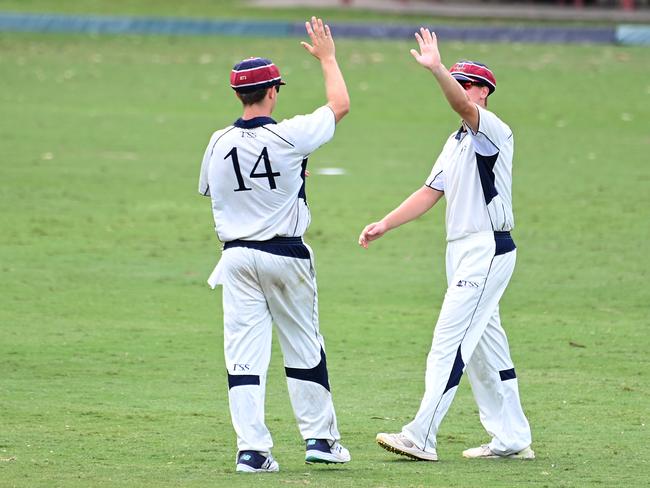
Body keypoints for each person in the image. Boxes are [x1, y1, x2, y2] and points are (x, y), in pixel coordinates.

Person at [359, 28, 534, 462]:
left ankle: (422, 435)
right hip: (461, 252)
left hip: (487, 248)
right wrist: (386, 223)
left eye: (465, 83)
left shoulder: (491, 129)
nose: (459, 89)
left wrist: (437, 67)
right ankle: (511, 438)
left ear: (483, 91)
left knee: (449, 341)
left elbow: (458, 102)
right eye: (455, 80)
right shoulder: (455, 140)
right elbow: (429, 192)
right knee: (484, 351)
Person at [198, 17, 351, 473]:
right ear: (271, 92)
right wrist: (328, 58)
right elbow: (340, 105)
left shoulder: (216, 141)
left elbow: (211, 190)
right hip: (285, 254)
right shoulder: (290, 134)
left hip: (236, 257)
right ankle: (320, 440)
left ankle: (252, 451)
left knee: (243, 357)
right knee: (304, 346)